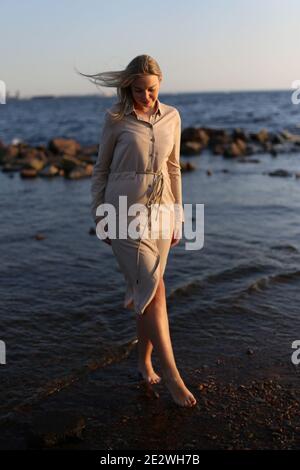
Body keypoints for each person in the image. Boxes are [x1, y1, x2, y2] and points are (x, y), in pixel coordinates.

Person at [81, 54, 197, 407]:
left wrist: (179, 214)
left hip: (161, 212)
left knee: (146, 289)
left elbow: (174, 168)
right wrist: (99, 214)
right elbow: (101, 169)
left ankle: (144, 362)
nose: (147, 96)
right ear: (128, 87)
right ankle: (173, 377)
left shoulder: (172, 117)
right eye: (139, 90)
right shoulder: (115, 119)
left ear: (160, 85)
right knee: (154, 286)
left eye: (152, 89)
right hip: (121, 214)